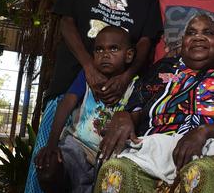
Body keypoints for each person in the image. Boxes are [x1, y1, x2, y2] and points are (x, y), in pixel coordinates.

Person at [25, 0, 163, 192]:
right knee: (47, 162)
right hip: (71, 83)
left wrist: (126, 77)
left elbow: (146, 40)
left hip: (115, 93)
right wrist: (88, 66)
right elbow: (66, 22)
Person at [95, 13, 214, 193]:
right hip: (151, 151)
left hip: (211, 153)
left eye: (208, 33)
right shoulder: (161, 69)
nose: (198, 37)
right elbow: (136, 110)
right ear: (183, 42)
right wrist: (123, 116)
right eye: (191, 32)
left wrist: (203, 131)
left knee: (199, 172)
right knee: (116, 170)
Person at [34, 26, 137, 193]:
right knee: (49, 166)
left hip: (110, 155)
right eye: (99, 49)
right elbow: (66, 103)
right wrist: (51, 144)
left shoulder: (135, 84)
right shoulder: (87, 76)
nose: (105, 54)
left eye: (114, 48)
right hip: (77, 147)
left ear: (129, 55)